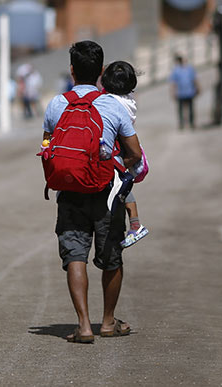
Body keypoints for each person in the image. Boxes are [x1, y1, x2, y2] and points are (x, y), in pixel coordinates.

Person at [42, 41, 141, 343]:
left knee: (75, 255)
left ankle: (84, 325)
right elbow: (134, 153)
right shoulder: (113, 105)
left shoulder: (57, 104)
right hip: (107, 193)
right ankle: (108, 322)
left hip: (70, 192)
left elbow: (47, 148)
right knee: (111, 257)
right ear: (100, 71)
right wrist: (114, 166)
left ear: (72, 70)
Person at [99, 61, 149, 248]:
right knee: (126, 186)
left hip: (119, 150)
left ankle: (136, 225)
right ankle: (135, 224)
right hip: (126, 147)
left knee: (122, 186)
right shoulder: (129, 101)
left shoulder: (113, 103)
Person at [169, 54, 199, 129]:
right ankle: (182, 124)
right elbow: (173, 83)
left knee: (190, 109)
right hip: (181, 93)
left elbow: (194, 79)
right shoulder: (176, 70)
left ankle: (191, 123)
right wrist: (173, 92)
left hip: (189, 92)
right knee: (181, 110)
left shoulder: (190, 69)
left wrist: (198, 88)